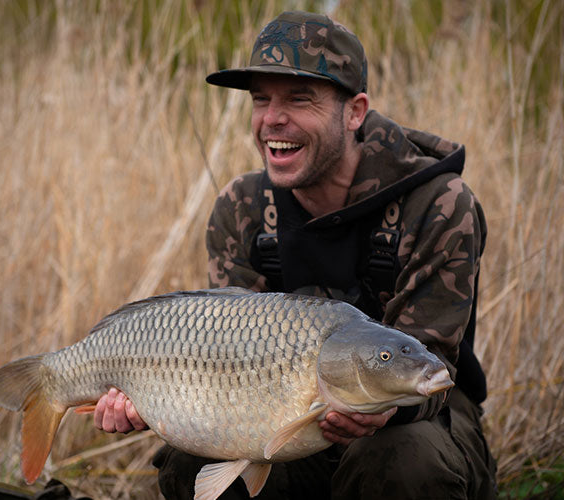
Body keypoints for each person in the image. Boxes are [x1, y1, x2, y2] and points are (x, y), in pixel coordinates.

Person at [95, 11, 497, 499]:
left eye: (299, 99)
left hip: (422, 426)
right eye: (261, 99)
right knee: (190, 460)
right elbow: (222, 362)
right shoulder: (240, 208)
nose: (271, 119)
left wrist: (385, 410)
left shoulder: (440, 204)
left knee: (398, 458)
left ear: (355, 112)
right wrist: (158, 401)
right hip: (283, 420)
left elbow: (432, 369)